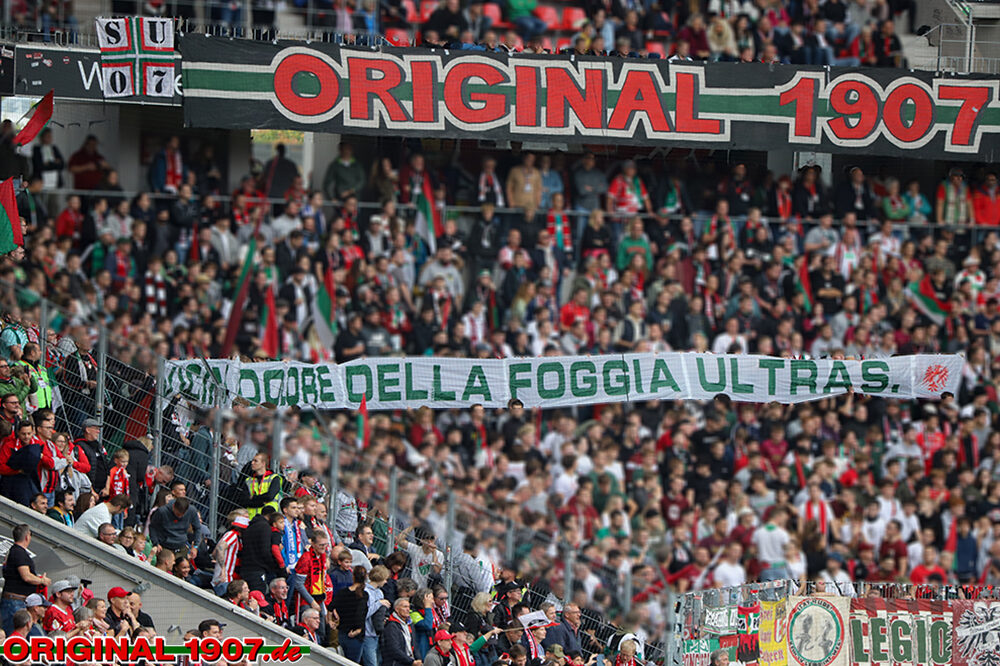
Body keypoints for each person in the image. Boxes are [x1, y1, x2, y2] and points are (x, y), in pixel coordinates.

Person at [1, 524, 51, 635]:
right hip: (15, 602)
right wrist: (42, 581)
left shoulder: (13, 551)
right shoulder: (18, 552)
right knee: (14, 635)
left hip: (15, 601)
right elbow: (26, 576)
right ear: (27, 537)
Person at [332, 565, 369, 662]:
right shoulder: (363, 595)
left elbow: (331, 607)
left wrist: (331, 621)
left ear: (353, 577)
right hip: (354, 635)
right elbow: (360, 613)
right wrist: (359, 629)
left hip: (342, 631)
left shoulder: (343, 592)